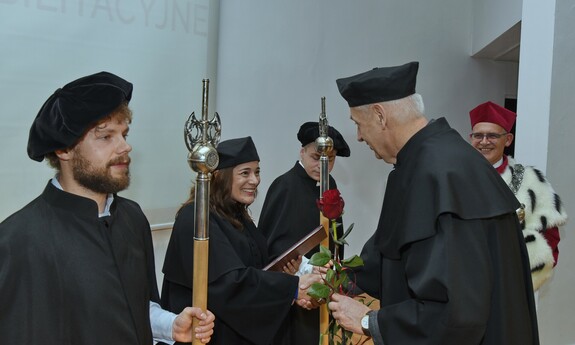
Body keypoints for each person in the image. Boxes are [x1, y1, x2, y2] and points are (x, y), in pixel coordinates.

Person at [327, 61, 539, 344]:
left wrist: (368, 320)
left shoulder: (436, 173)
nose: (359, 136)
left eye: (358, 124)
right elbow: (392, 256)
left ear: (380, 116)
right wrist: (335, 278)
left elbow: (455, 314)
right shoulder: (430, 161)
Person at [0, 71, 214, 345]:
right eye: (105, 137)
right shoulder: (18, 241)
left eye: (124, 134)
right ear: (64, 150)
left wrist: (170, 325)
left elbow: (133, 306)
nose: (125, 146)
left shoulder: (132, 217)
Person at [160, 136, 323, 345]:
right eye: (245, 173)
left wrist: (285, 272)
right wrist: (291, 287)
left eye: (257, 172)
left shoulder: (237, 214)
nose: (254, 180)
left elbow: (253, 267)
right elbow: (229, 284)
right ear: (220, 176)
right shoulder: (196, 217)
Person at [258, 121, 350, 345]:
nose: (323, 166)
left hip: (324, 285)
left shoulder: (330, 184)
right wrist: (304, 267)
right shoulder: (284, 185)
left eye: (330, 160)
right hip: (294, 289)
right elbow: (270, 243)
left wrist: (333, 272)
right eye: (316, 158)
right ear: (302, 151)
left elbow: (335, 236)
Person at [468, 101, 568, 291]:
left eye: (492, 136)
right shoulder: (454, 177)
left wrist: (522, 280)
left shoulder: (530, 181)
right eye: (478, 135)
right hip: (463, 284)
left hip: (511, 287)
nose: (484, 141)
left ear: (508, 139)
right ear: (470, 138)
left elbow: (550, 240)